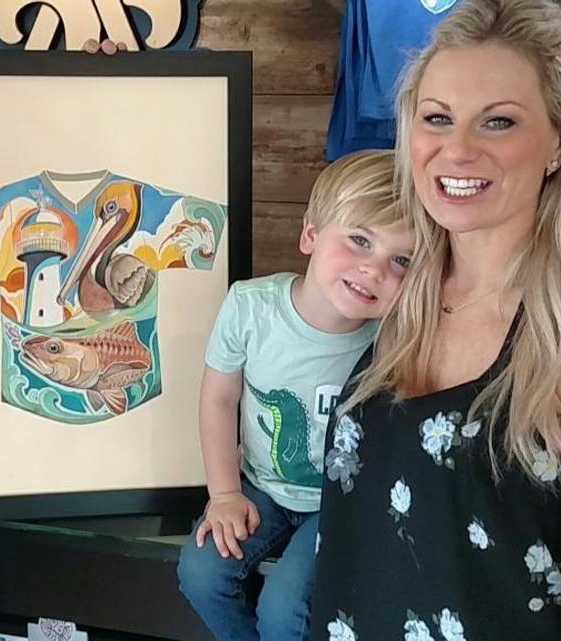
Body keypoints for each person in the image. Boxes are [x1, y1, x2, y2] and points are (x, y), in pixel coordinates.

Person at [308, 2, 561, 640]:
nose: (457, 149)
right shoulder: (396, 288)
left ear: (558, 143)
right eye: (437, 118)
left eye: (498, 122)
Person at [177, 150, 416, 641]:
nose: (374, 269)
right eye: (359, 240)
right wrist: (223, 493)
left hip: (340, 503)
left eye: (402, 259)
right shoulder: (249, 307)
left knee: (286, 608)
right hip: (260, 488)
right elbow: (218, 400)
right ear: (310, 234)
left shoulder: (396, 341)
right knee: (200, 572)